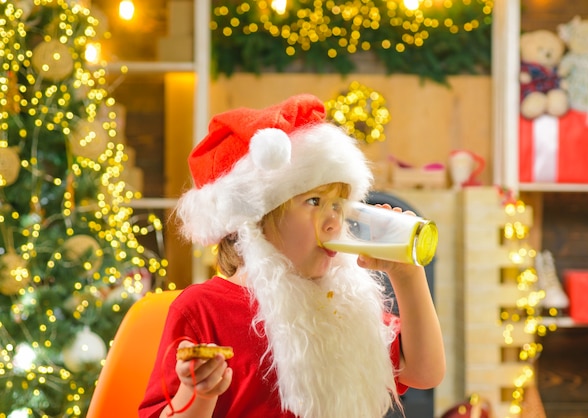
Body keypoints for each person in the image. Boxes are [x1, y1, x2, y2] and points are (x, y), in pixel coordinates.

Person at [138, 94, 445, 418]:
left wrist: (407, 274)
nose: (334, 221)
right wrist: (197, 394)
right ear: (257, 218)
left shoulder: (341, 301)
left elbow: (424, 372)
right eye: (314, 201)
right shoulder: (201, 310)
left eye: (339, 204)